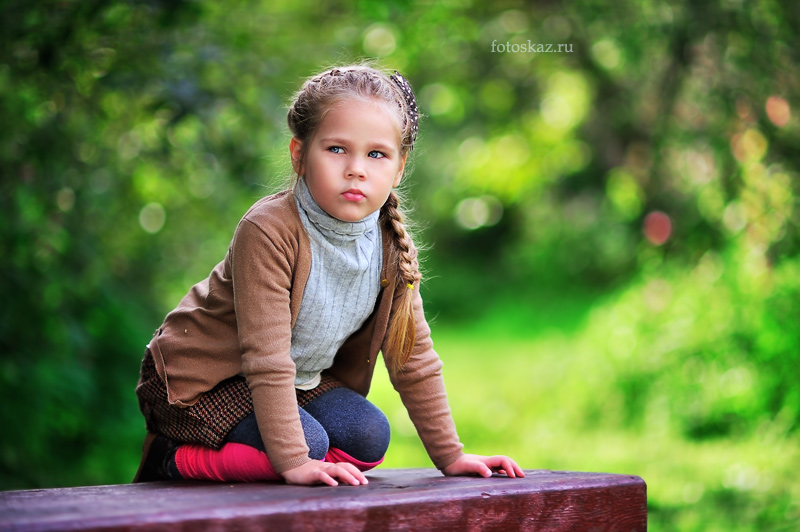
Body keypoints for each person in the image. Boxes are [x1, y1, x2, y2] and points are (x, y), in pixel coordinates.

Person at [133, 65, 524, 487]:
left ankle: (282, 452)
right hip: (197, 382)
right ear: (299, 155)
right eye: (337, 149)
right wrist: (295, 463)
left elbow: (414, 358)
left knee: (368, 436)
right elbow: (266, 358)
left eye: (376, 154)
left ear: (399, 168)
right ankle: (172, 458)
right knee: (307, 447)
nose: (356, 169)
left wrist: (451, 455)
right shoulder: (269, 231)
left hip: (294, 382)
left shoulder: (390, 244)